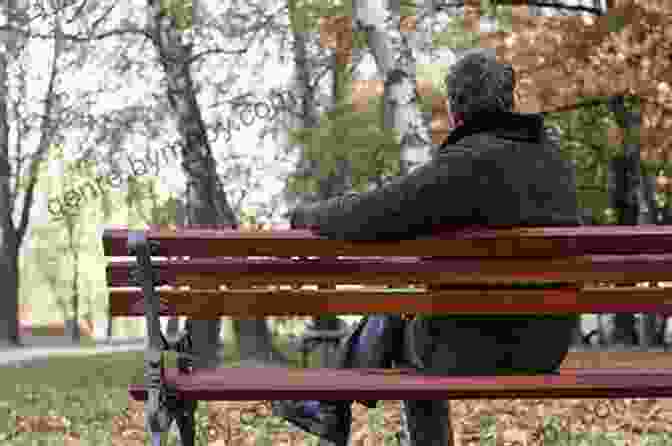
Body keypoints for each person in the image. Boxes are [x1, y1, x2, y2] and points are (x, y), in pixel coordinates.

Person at [272, 48, 582, 446]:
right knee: (410, 317)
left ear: (456, 111)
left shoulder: (464, 163)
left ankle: (330, 404)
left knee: (404, 322)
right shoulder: (554, 163)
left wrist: (308, 217)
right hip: (545, 347)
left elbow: (373, 212)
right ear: (510, 101)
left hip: (471, 349)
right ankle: (329, 402)